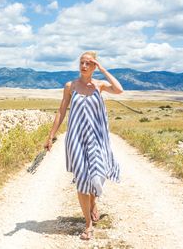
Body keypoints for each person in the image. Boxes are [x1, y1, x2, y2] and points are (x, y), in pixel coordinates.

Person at [44, 51, 123, 240]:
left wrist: (103, 68)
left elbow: (119, 89)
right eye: (82, 62)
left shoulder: (100, 85)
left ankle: (93, 200)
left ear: (94, 66)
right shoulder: (70, 86)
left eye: (89, 63)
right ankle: (88, 225)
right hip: (77, 139)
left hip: (98, 139)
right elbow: (62, 110)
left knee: (98, 174)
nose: (84, 66)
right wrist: (51, 135)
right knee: (82, 180)